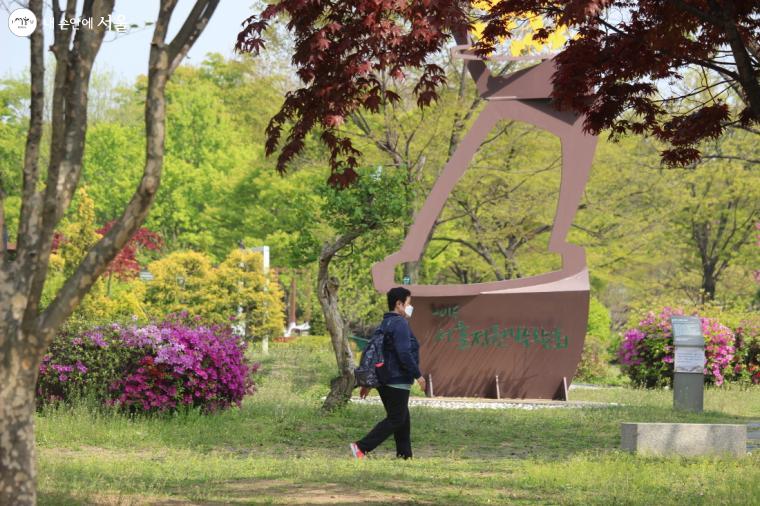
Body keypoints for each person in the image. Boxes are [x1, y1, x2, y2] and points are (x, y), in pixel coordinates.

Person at [350, 287, 426, 460]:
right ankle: (361, 447)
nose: (410, 307)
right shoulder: (400, 324)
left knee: (402, 418)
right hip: (396, 378)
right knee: (397, 418)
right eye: (408, 303)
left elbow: (378, 352)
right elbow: (404, 353)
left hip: (385, 378)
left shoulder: (385, 323)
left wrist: (369, 383)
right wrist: (418, 375)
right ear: (399, 304)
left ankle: (404, 455)